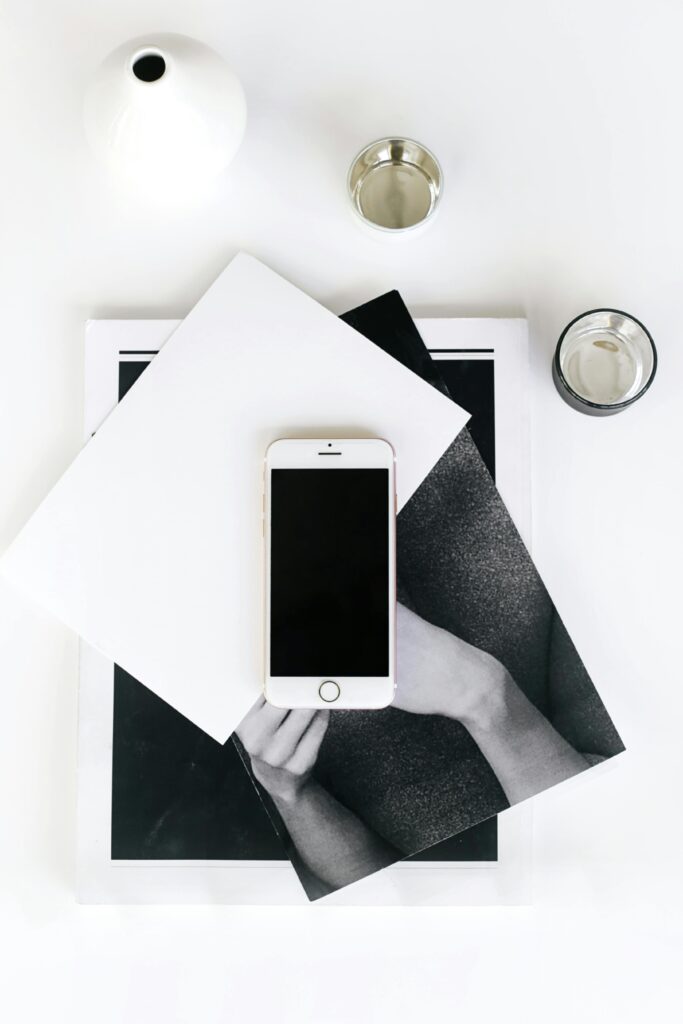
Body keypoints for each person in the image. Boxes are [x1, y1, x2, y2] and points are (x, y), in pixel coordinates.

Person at [236, 432, 624, 899]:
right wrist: (485, 696)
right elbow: (609, 840)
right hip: (495, 454)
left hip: (295, 723)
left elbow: (364, 896)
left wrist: (289, 792)